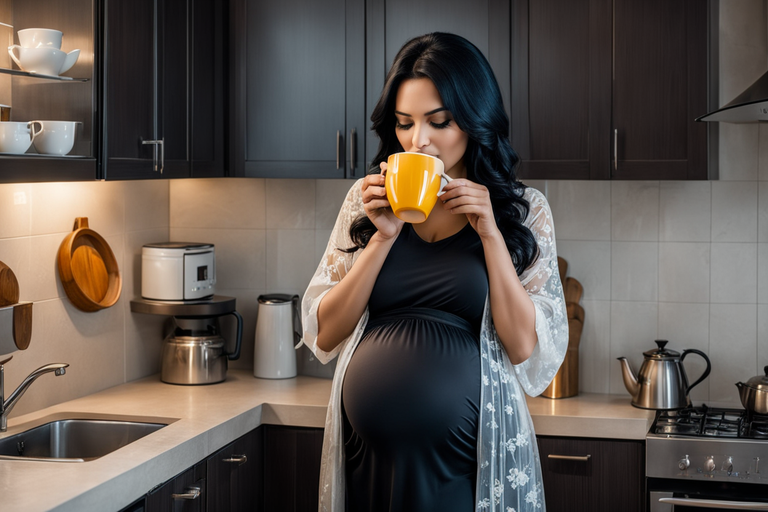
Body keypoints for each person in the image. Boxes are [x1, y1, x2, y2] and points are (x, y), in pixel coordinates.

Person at [298, 32, 568, 512]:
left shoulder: (523, 212)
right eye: (404, 124)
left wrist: (489, 234)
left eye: (438, 122)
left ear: (475, 118)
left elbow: (525, 347)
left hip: (467, 470)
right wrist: (382, 237)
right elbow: (324, 334)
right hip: (368, 464)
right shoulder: (367, 204)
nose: (417, 141)